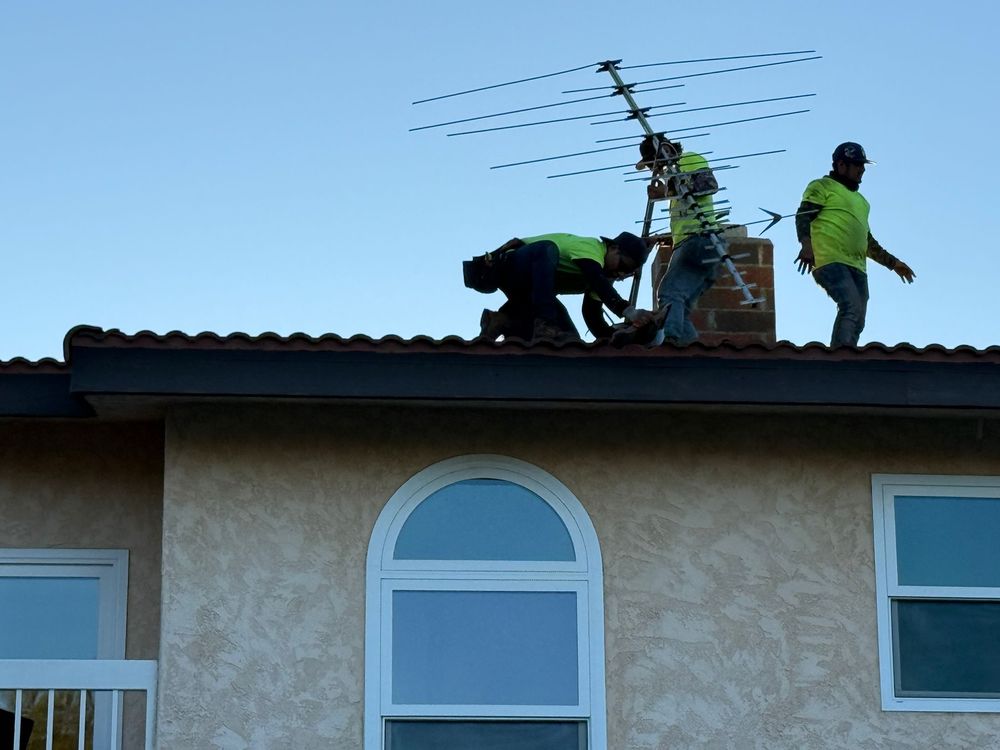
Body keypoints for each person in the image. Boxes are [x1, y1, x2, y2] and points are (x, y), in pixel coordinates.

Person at [795, 142, 915, 347]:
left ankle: (847, 352)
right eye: (858, 165)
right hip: (830, 260)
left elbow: (868, 242)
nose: (862, 170)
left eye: (863, 165)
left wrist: (894, 264)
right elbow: (804, 216)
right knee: (851, 306)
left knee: (858, 316)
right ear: (841, 165)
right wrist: (807, 245)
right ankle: (841, 357)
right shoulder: (822, 186)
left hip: (857, 266)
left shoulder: (861, 201)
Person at [469, 231, 655, 342]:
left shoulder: (600, 278)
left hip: (529, 291)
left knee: (568, 340)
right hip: (512, 265)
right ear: (614, 248)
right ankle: (544, 323)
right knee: (546, 249)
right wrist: (629, 312)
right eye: (623, 266)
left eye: (627, 274)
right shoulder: (592, 249)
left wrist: (616, 336)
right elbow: (597, 279)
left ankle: (500, 320)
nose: (621, 274)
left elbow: (592, 317)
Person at [636, 135, 721, 345]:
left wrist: (666, 191)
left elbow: (707, 185)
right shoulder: (675, 175)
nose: (653, 170)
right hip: (703, 243)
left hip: (698, 241)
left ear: (664, 150)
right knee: (679, 306)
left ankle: (672, 343)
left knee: (669, 294)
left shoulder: (688, 159)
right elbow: (689, 208)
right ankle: (690, 351)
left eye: (652, 164)